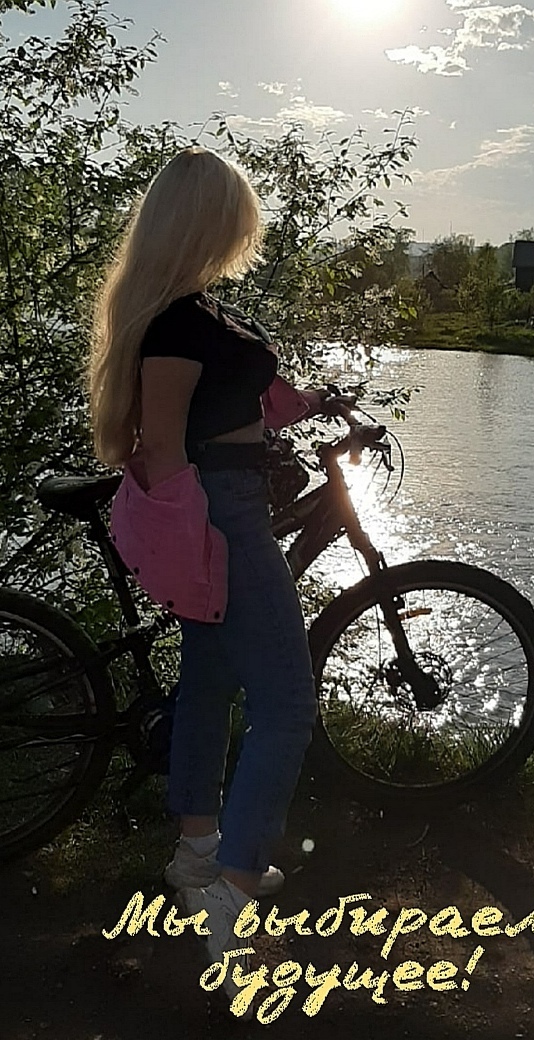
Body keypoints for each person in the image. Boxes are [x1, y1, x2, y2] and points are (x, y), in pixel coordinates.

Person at [86, 146, 339, 1003]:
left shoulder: (198, 312)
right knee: (287, 704)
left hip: (226, 505)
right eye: (237, 216)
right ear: (210, 221)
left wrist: (311, 402)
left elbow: (240, 401)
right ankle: (230, 898)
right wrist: (196, 543)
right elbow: (162, 446)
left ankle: (197, 853)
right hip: (220, 517)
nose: (243, 230)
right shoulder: (177, 327)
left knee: (208, 682)